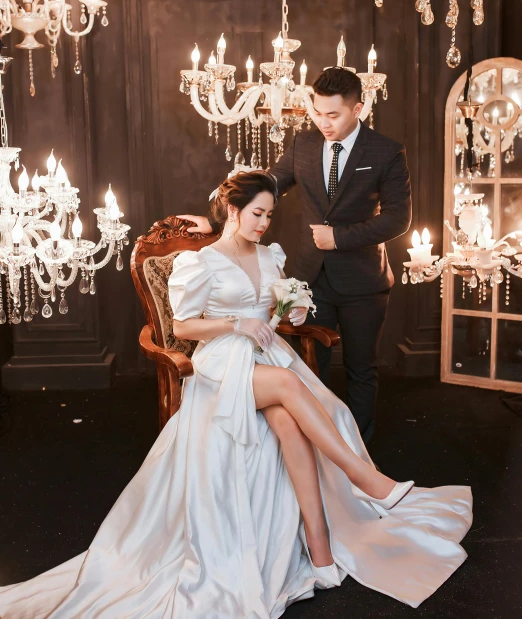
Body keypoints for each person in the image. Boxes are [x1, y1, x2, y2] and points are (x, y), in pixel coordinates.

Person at [0, 171, 472, 618]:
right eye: (257, 214)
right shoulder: (197, 261)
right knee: (289, 386)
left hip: (265, 357)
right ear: (232, 208)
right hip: (221, 363)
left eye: (269, 215)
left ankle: (322, 552)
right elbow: (182, 327)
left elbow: (278, 313)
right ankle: (367, 479)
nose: (264, 224)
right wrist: (235, 323)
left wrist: (295, 307)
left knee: (289, 422)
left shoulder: (272, 256)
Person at [180, 67, 412, 444]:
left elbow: (398, 219)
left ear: (358, 108)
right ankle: (317, 449)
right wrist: (215, 219)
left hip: (363, 283)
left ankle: (358, 455)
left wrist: (338, 237)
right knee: (307, 369)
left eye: (333, 114)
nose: (323, 122)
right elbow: (265, 186)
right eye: (317, 112)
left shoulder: (386, 151)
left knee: (361, 371)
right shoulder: (304, 144)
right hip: (308, 279)